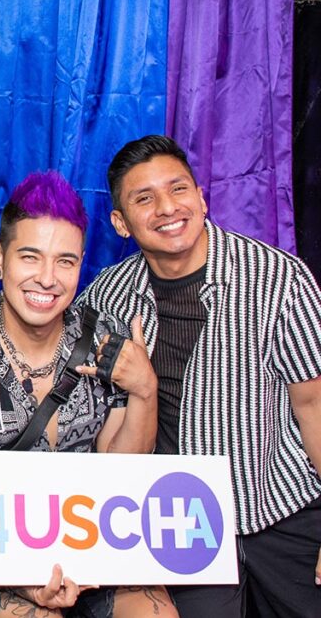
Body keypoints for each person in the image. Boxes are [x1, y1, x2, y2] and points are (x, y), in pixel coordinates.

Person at [79, 135, 321, 618]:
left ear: (201, 197)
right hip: (184, 529)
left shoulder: (279, 280)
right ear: (120, 223)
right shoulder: (106, 299)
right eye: (143, 199)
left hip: (284, 510)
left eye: (179, 189)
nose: (167, 208)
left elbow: (314, 404)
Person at [0, 171, 176, 618]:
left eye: (65, 261)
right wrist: (27, 586)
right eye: (30, 257)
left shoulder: (107, 337)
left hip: (94, 546)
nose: (47, 278)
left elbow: (122, 476)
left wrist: (144, 389)